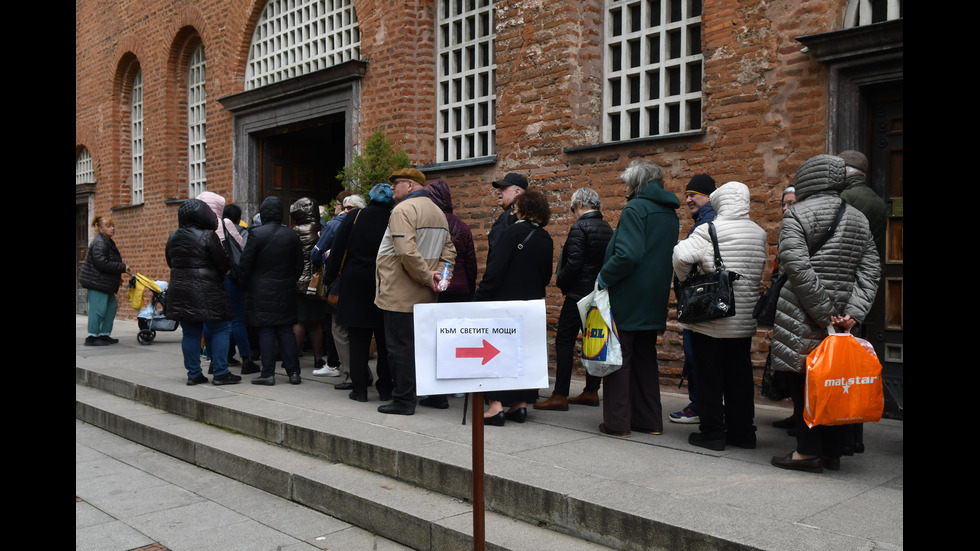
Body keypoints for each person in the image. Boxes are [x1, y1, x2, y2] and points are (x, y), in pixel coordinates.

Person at [769, 154, 880, 473]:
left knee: (805, 382)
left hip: (804, 314)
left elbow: (796, 265)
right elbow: (871, 269)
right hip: (844, 316)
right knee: (836, 379)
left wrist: (825, 314)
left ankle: (807, 453)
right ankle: (832, 452)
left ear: (806, 179)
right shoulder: (858, 218)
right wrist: (852, 314)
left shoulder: (797, 215)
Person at [672, 181, 767, 450]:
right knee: (740, 376)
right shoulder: (758, 233)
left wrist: (689, 277)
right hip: (743, 320)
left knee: (708, 376)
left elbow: (680, 256)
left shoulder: (709, 229)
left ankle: (713, 433)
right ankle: (743, 433)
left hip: (711, 320)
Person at [595, 159, 680, 437]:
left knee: (618, 359)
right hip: (653, 296)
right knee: (646, 359)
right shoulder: (669, 212)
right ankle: (649, 421)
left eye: (627, 185)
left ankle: (617, 423)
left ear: (637, 184)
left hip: (628, 295)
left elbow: (628, 255)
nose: (624, 191)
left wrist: (603, 277)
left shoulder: (635, 208)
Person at [375, 168, 456, 415]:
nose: (391, 189)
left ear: (410, 185)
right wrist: (441, 276)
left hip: (400, 294)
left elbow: (405, 252)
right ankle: (437, 397)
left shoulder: (402, 211)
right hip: (428, 294)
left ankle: (403, 400)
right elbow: (449, 251)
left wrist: (424, 276)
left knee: (400, 348)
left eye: (396, 184)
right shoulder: (438, 213)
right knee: (427, 347)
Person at [475, 190, 554, 426]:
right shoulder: (546, 238)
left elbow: (495, 271)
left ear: (522, 209)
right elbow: (547, 276)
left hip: (505, 302)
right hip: (531, 303)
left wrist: (480, 296)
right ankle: (520, 405)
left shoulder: (511, 233)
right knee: (523, 353)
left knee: (496, 352)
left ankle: (495, 406)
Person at [535, 187, 612, 411]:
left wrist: (562, 282)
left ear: (579, 205)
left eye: (571, 208)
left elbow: (574, 262)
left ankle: (559, 394)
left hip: (578, 294)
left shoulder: (580, 226)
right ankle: (591, 390)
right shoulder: (607, 227)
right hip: (598, 294)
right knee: (593, 341)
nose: (571, 213)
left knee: (564, 341)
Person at [837, 149, 888, 455]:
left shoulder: (847, 199)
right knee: (855, 367)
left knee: (842, 369)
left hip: (846, 290)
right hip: (865, 292)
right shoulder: (876, 201)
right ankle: (854, 436)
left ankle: (843, 434)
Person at [325, 184, 395, 402]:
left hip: (355, 282)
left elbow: (337, 249)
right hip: (385, 281)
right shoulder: (394, 217)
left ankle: (360, 389)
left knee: (358, 338)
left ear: (371, 197)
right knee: (384, 339)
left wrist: (330, 278)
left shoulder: (355, 216)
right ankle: (385, 388)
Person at [165, 198, 240, 386]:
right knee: (221, 328)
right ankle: (221, 372)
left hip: (181, 288)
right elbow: (223, 263)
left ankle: (193, 374)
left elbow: (170, 261)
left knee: (190, 333)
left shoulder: (173, 236)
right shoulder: (208, 235)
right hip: (208, 289)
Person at [238, 196, 305, 386]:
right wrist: (290, 279)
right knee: (286, 330)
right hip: (285, 288)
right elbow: (299, 264)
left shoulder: (256, 234)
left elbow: (246, 263)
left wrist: (245, 285)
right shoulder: (292, 235)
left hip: (260, 289)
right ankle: (293, 372)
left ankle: (268, 373)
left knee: (266, 331)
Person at [669, 174, 717, 425]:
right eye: (686, 195)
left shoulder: (705, 222)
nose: (687, 200)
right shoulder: (705, 219)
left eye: (693, 195)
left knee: (696, 356)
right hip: (705, 303)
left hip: (698, 302)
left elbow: (684, 258)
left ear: (708, 196)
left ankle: (699, 406)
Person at [198, 192, 259, 376]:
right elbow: (240, 245)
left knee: (209, 320)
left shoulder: (197, 227)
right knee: (237, 319)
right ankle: (246, 359)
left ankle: (211, 360)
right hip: (228, 278)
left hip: (205, 279)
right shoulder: (225, 223)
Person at [312, 193, 365, 382]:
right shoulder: (372, 224)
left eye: (349, 208)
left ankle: (353, 373)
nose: (344, 211)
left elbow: (317, 254)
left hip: (345, 283)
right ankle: (358, 371)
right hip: (363, 284)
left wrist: (328, 277)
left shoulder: (337, 224)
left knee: (339, 328)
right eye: (343, 207)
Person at [290, 197, 326, 382]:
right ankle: (319, 359)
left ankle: (293, 359)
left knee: (299, 321)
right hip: (316, 281)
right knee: (315, 322)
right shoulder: (321, 229)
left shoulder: (295, 231)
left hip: (298, 280)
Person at [80, 216, 130, 346]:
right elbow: (101, 263)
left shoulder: (107, 241)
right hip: (97, 282)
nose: (112, 228)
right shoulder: (100, 242)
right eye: (108, 226)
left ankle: (104, 334)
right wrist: (122, 267)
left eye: (113, 226)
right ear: (100, 228)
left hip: (104, 283)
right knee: (98, 310)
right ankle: (91, 337)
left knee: (110, 308)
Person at [487, 173, 527, 256]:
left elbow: (496, 251)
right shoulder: (534, 216)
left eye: (503, 188)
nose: (498, 192)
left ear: (517, 191)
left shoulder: (508, 217)